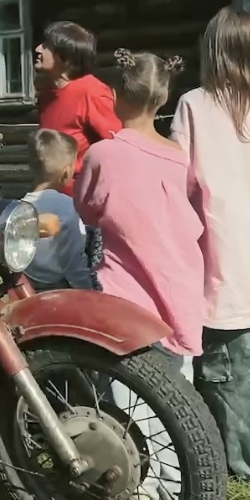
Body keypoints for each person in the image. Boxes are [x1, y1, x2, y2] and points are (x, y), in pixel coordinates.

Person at [170, 6, 250, 498]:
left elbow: (177, 182)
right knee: (248, 367)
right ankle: (227, 453)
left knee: (240, 380)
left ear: (214, 50)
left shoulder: (197, 107)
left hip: (228, 260)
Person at [74, 48, 203, 372]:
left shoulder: (102, 154)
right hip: (178, 286)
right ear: (163, 99)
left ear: (115, 95)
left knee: (121, 387)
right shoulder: (179, 156)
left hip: (125, 293)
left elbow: (86, 211)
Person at [35, 21, 122, 187]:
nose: (38, 49)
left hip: (81, 201)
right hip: (51, 196)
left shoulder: (92, 91)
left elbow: (118, 149)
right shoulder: (46, 94)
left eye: (46, 46)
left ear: (65, 57)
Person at [21, 128, 92, 292]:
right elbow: (74, 261)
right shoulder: (69, 208)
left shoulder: (20, 208)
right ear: (66, 172)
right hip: (60, 287)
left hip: (27, 287)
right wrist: (90, 291)